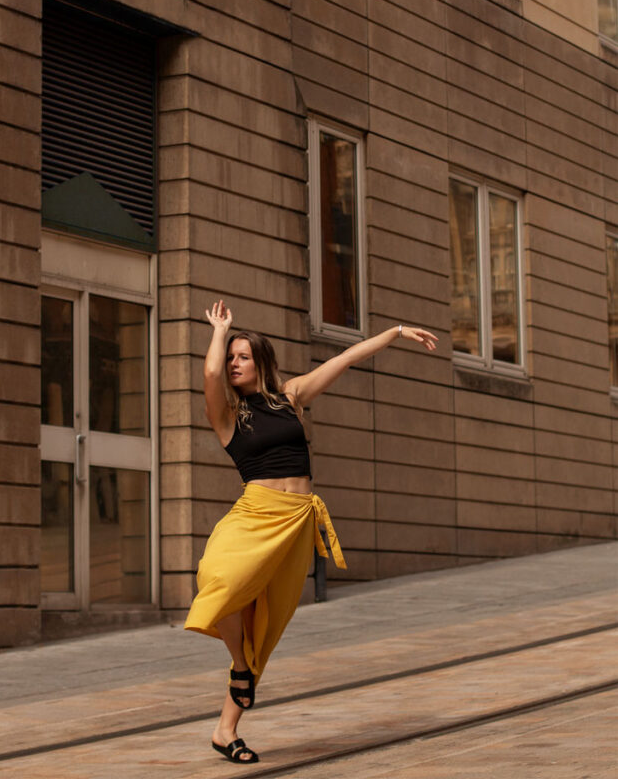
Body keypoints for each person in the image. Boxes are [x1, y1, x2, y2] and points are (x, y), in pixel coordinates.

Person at [184, 299, 438, 765]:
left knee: (266, 624)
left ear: (261, 361)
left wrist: (397, 331)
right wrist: (219, 332)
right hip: (254, 514)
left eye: (242, 356)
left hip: (296, 521)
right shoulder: (226, 415)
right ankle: (239, 667)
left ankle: (226, 730)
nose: (233, 364)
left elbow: (343, 359)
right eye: (231, 357)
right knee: (217, 584)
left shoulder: (290, 397)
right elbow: (209, 377)